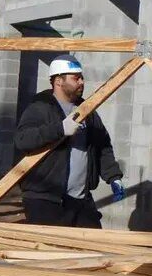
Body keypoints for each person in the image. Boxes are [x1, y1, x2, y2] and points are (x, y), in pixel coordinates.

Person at [15, 55, 125, 227]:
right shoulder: (41, 107)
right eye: (76, 78)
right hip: (46, 200)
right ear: (58, 81)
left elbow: (102, 145)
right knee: (50, 252)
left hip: (81, 199)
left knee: (93, 247)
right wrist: (60, 129)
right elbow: (23, 140)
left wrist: (113, 176)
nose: (81, 82)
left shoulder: (88, 111)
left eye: (82, 77)